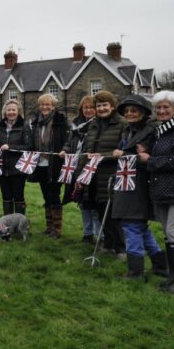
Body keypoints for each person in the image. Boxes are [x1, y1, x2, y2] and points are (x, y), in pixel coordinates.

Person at [137, 90, 174, 294]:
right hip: (162, 189)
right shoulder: (162, 130)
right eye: (159, 107)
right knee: (168, 233)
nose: (161, 111)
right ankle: (173, 277)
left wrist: (149, 161)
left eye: (166, 107)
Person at [110, 95, 168, 279]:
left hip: (140, 184)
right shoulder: (128, 131)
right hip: (125, 182)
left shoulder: (151, 132)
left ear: (143, 113)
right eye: (127, 111)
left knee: (131, 226)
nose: (129, 114)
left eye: (134, 111)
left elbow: (148, 158)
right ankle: (160, 266)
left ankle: (135, 271)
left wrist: (123, 153)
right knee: (139, 227)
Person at [79, 90, 126, 259]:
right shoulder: (93, 124)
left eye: (105, 105)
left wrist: (103, 156)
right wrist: (80, 173)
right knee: (100, 212)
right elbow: (86, 150)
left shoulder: (122, 124)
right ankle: (108, 245)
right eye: (98, 105)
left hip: (111, 175)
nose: (101, 108)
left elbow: (123, 151)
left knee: (113, 214)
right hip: (93, 175)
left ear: (112, 106)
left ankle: (122, 249)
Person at [28, 94, 69, 238]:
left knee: (54, 195)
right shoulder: (35, 122)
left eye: (48, 105)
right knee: (46, 195)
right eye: (42, 105)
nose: (45, 107)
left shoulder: (61, 121)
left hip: (55, 164)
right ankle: (49, 226)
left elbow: (67, 140)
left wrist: (65, 149)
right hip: (40, 164)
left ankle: (57, 229)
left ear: (53, 106)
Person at [61, 95, 99, 243]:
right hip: (75, 167)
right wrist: (65, 149)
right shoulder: (76, 125)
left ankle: (100, 235)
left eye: (91, 107)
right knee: (82, 204)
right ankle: (87, 233)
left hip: (91, 168)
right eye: (85, 108)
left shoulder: (97, 125)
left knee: (93, 204)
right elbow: (70, 142)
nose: (88, 110)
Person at [0, 100, 33, 216]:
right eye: (9, 110)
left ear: (18, 112)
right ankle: (8, 225)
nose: (11, 112)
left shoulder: (25, 126)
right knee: (6, 197)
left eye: (14, 110)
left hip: (18, 169)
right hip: (2, 169)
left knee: (18, 197)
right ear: (5, 112)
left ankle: (20, 224)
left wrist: (10, 146)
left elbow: (28, 146)